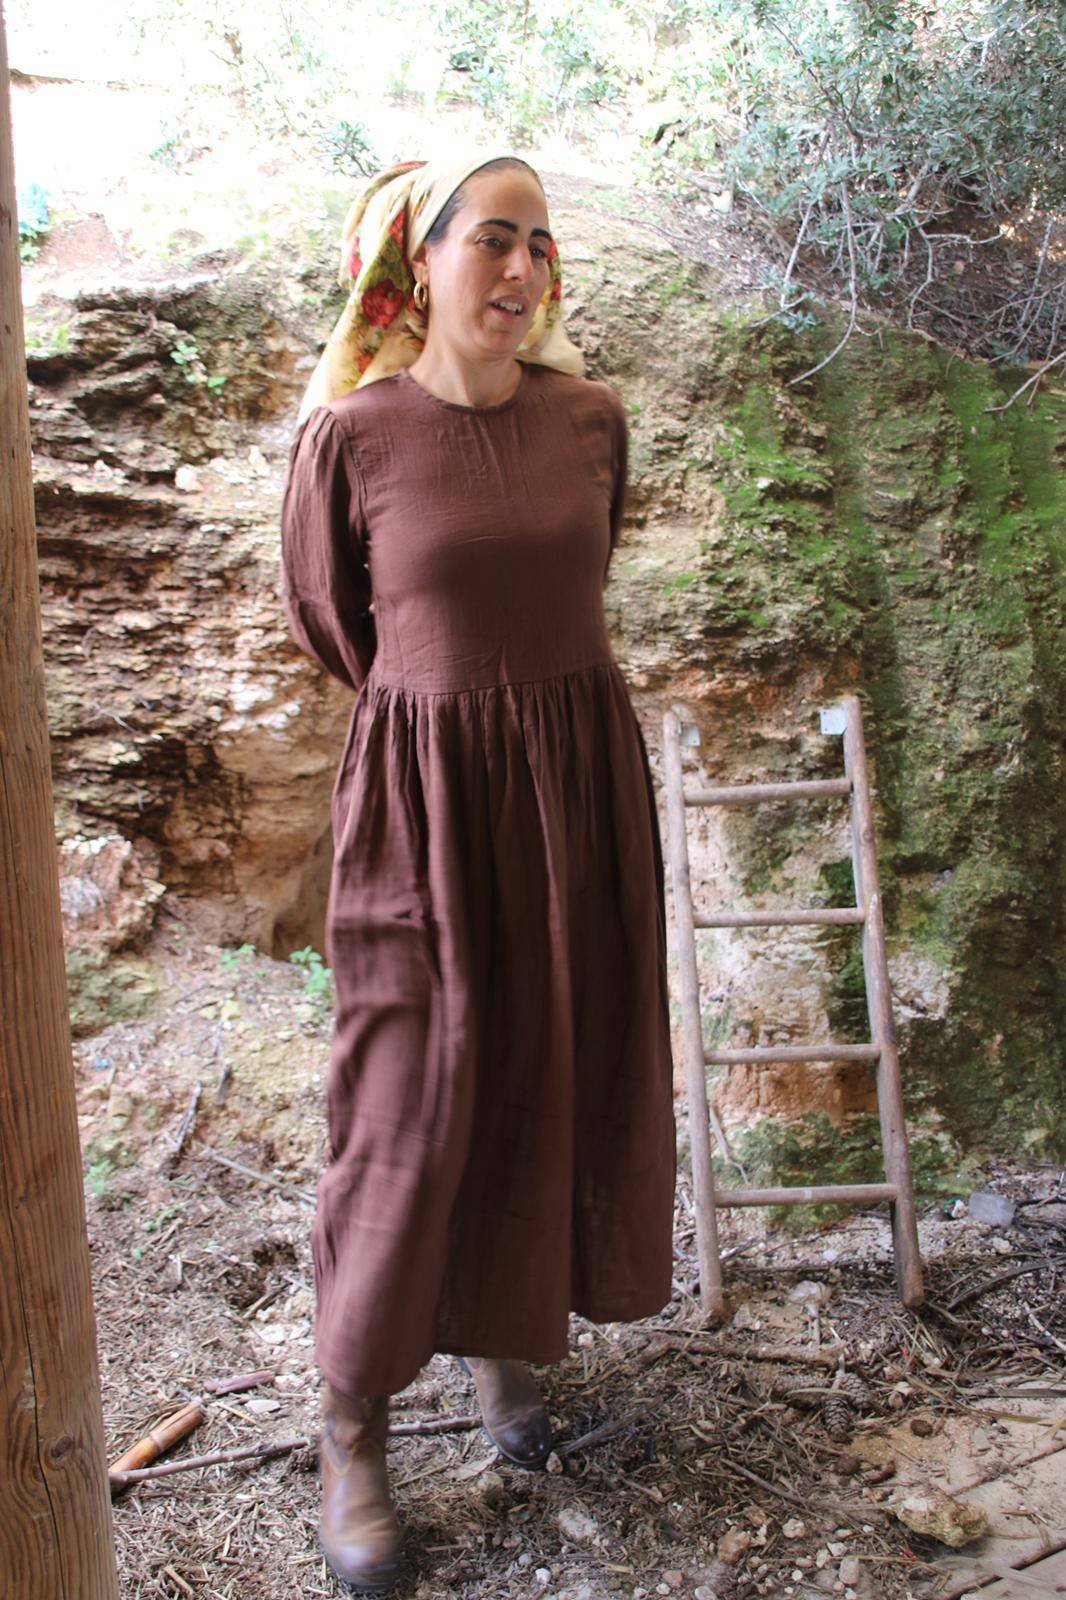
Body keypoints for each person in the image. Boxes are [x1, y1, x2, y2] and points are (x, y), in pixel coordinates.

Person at [279, 147, 677, 1593]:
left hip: (577, 792)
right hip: (424, 807)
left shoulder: (590, 419)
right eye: (492, 239)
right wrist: (447, 717)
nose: (521, 270)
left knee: (546, 1066)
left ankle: (509, 1353)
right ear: (419, 260)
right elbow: (334, 620)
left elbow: (580, 574)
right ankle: (353, 1431)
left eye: (540, 245)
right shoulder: (351, 437)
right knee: (401, 1105)